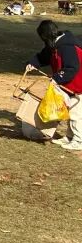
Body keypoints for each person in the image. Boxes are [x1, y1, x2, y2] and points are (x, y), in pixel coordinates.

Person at [26, 20, 82, 151]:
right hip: (71, 82)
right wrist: (32, 63)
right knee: (71, 110)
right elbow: (43, 57)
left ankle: (79, 141)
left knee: (76, 112)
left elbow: (72, 68)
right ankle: (70, 137)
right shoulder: (54, 44)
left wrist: (56, 78)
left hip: (79, 82)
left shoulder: (67, 46)